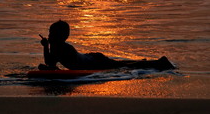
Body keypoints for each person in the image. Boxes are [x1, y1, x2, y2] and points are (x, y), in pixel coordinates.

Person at [38, 20, 175, 71]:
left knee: (123, 67)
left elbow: (50, 63)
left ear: (62, 37)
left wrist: (46, 50)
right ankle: (147, 62)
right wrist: (46, 47)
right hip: (92, 58)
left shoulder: (64, 48)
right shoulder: (57, 47)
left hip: (96, 62)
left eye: (53, 33)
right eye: (49, 33)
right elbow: (50, 62)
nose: (49, 36)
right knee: (121, 64)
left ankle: (159, 63)